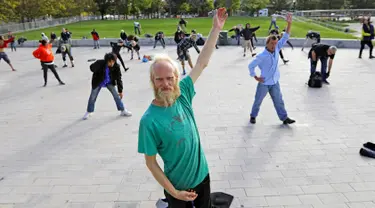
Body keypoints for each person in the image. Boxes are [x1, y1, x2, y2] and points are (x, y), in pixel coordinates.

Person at [137, 8, 228, 208]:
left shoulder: (183, 93)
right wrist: (174, 192)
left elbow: (202, 63)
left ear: (177, 79)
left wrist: (215, 30)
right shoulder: (148, 121)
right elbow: (151, 163)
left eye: (170, 78)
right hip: (178, 186)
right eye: (159, 79)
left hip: (203, 175)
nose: (165, 84)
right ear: (153, 81)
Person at [248, 13, 295, 125]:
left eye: (275, 43)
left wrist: (289, 23)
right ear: (267, 43)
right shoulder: (261, 56)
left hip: (275, 82)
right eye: (272, 44)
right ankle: (253, 116)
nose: (274, 45)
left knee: (279, 101)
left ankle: (284, 118)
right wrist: (255, 77)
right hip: (264, 82)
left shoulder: (277, 48)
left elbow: (286, 35)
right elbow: (251, 66)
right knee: (258, 101)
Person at [82, 52, 132, 120]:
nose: (111, 64)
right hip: (98, 81)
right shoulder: (100, 63)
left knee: (116, 96)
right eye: (109, 62)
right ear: (106, 61)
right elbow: (91, 68)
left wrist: (120, 90)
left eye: (113, 62)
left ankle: (123, 110)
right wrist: (95, 66)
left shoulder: (116, 66)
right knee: (92, 97)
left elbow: (119, 79)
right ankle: (89, 111)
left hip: (109, 82)